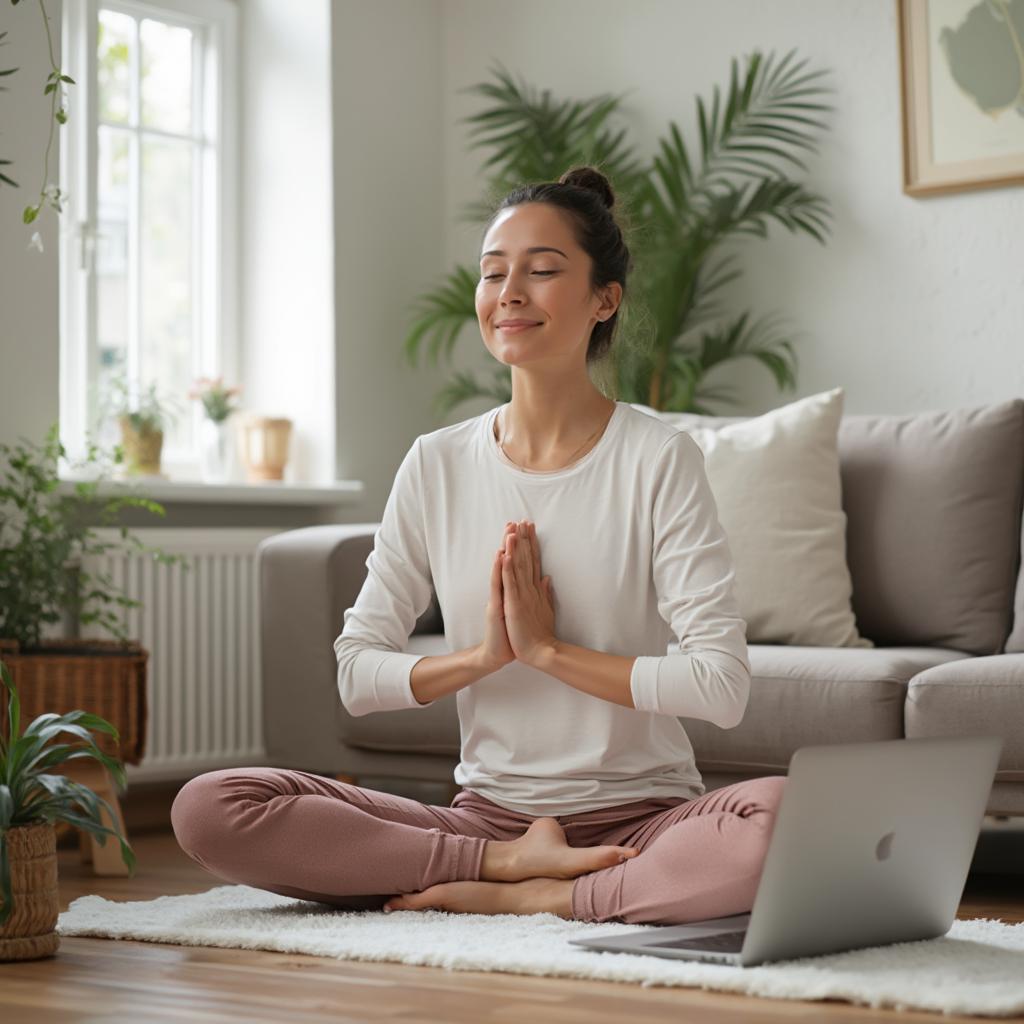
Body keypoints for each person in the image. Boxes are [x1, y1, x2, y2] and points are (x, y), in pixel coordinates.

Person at [170, 166, 786, 926]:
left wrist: (549, 651)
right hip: (486, 823)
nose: (510, 293)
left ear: (605, 299)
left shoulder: (659, 456)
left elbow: (721, 686)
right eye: (494, 273)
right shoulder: (437, 461)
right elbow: (357, 675)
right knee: (212, 805)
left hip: (642, 824)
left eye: (543, 271)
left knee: (783, 821)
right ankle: (505, 872)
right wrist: (485, 658)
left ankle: (553, 894)